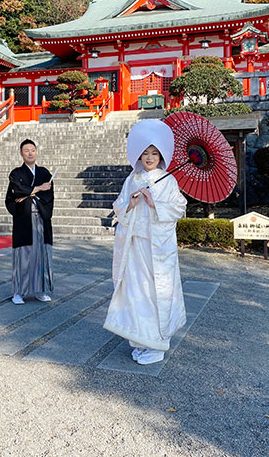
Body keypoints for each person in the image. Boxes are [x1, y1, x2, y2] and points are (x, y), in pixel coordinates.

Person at [103, 119, 187, 365]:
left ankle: (157, 343)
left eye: (154, 153)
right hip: (134, 245)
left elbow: (179, 209)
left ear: (161, 156)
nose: (149, 157)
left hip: (157, 248)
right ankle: (140, 340)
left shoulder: (168, 181)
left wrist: (154, 204)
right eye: (146, 153)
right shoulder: (132, 179)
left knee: (154, 293)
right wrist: (129, 203)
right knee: (135, 293)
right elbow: (119, 207)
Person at [5, 139, 54, 305]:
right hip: (24, 219)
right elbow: (16, 192)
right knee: (23, 255)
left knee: (40, 254)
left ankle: (40, 290)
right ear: (21, 153)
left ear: (36, 151)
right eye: (26, 150)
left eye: (32, 149)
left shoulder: (45, 173)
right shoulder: (16, 173)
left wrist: (28, 194)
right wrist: (39, 188)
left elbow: (48, 196)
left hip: (40, 217)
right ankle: (18, 292)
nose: (30, 153)